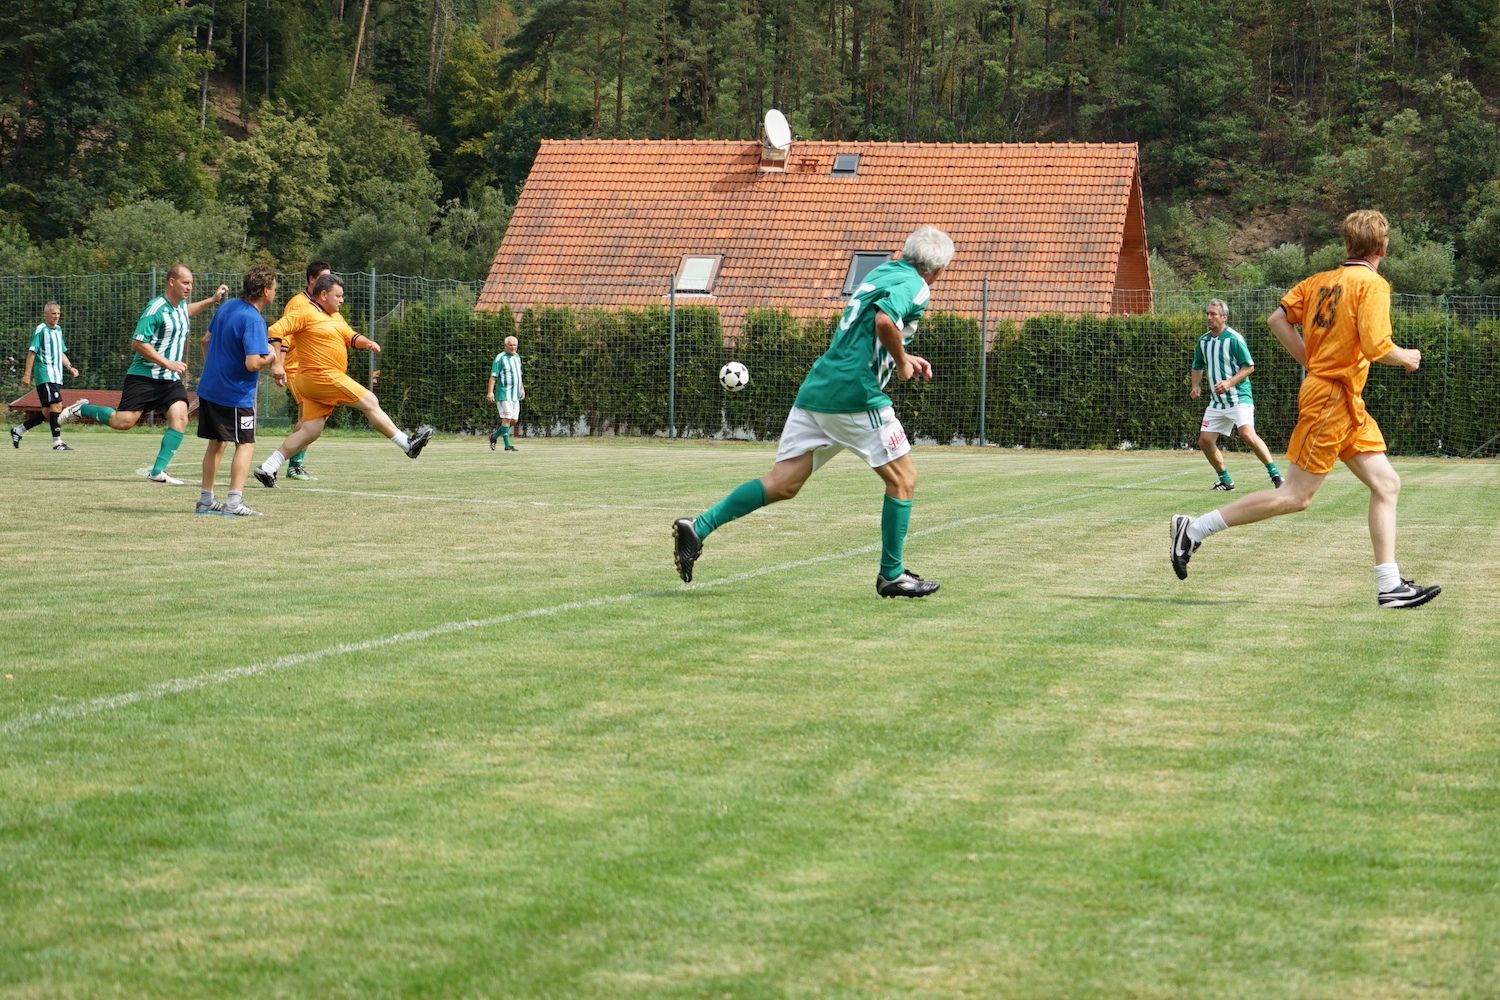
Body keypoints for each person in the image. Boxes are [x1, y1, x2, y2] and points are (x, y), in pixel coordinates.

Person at [1170, 210, 1440, 609]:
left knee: (1387, 484)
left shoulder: (1318, 281)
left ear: (1347, 244)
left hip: (1344, 400)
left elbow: (1277, 319)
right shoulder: (1373, 284)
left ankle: (1389, 586)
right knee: (1296, 496)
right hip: (1331, 399)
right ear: (1383, 247)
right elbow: (1376, 346)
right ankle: (1193, 529)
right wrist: (1407, 357)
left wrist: (1311, 361)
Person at [672, 224, 955, 598]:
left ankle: (699, 527)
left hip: (820, 388)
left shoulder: (883, 271)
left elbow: (868, 332)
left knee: (783, 483)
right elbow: (884, 320)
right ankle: (891, 575)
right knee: (903, 480)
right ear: (937, 270)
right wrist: (901, 362)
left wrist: (901, 354)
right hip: (855, 395)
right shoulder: (917, 285)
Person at [252, 272, 430, 487]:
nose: (342, 300)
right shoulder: (304, 312)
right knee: (370, 400)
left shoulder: (335, 316)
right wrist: (277, 364)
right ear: (323, 295)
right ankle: (407, 444)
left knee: (311, 430)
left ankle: (268, 467)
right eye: (338, 295)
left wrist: (367, 343)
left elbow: (350, 336)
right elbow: (275, 330)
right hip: (321, 375)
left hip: (317, 381)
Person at [74, 266, 229, 484]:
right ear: (171, 281)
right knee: (123, 422)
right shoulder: (155, 308)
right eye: (185, 283)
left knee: (180, 417)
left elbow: (186, 312)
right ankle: (82, 408)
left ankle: (157, 471)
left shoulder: (180, 307)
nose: (189, 287)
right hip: (144, 376)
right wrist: (168, 363)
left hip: (169, 380)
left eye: (191, 283)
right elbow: (138, 343)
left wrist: (212, 300)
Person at [194, 264, 279, 517]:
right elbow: (252, 363)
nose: (275, 293)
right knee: (246, 444)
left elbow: (205, 341)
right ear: (265, 291)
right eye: (274, 288)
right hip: (235, 395)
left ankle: (206, 500)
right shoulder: (254, 319)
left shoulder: (227, 306)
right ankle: (233, 503)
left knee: (216, 443)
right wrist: (271, 357)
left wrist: (216, 369)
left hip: (209, 388)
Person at [1190, 298, 1283, 490]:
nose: (1209, 317)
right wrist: (1195, 385)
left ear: (1224, 317)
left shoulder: (1234, 339)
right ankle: (1226, 481)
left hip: (1239, 397)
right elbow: (1197, 365)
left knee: (1247, 434)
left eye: (1213, 314)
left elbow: (1249, 367)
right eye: (1207, 314)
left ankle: (1276, 476)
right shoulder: (1203, 341)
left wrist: (1229, 382)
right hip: (1217, 402)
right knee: (1205, 441)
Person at [266, 261, 331, 480]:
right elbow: (284, 335)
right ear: (312, 279)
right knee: (310, 418)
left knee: (311, 418)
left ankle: (294, 464)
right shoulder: (298, 303)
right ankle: (292, 465)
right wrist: (279, 365)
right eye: (324, 278)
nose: (328, 282)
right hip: (296, 368)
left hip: (313, 368)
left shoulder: (322, 304)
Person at [12, 302, 82, 451]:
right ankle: (57, 442)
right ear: (46, 315)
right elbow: (32, 352)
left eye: (58, 313)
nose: (56, 316)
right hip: (45, 374)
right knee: (57, 405)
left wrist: (70, 367)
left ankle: (19, 430)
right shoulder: (41, 329)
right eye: (53, 313)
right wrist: (27, 374)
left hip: (56, 376)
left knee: (47, 412)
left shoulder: (59, 330)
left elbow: (60, 352)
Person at [486, 335, 525, 451]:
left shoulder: (517, 357)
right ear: (506, 346)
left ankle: (494, 436)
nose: (513, 347)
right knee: (507, 418)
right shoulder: (500, 358)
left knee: (514, 420)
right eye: (511, 345)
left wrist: (522, 388)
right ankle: (507, 445)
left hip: (515, 395)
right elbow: (493, 376)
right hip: (504, 394)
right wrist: (490, 392)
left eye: (515, 345)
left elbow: (519, 375)